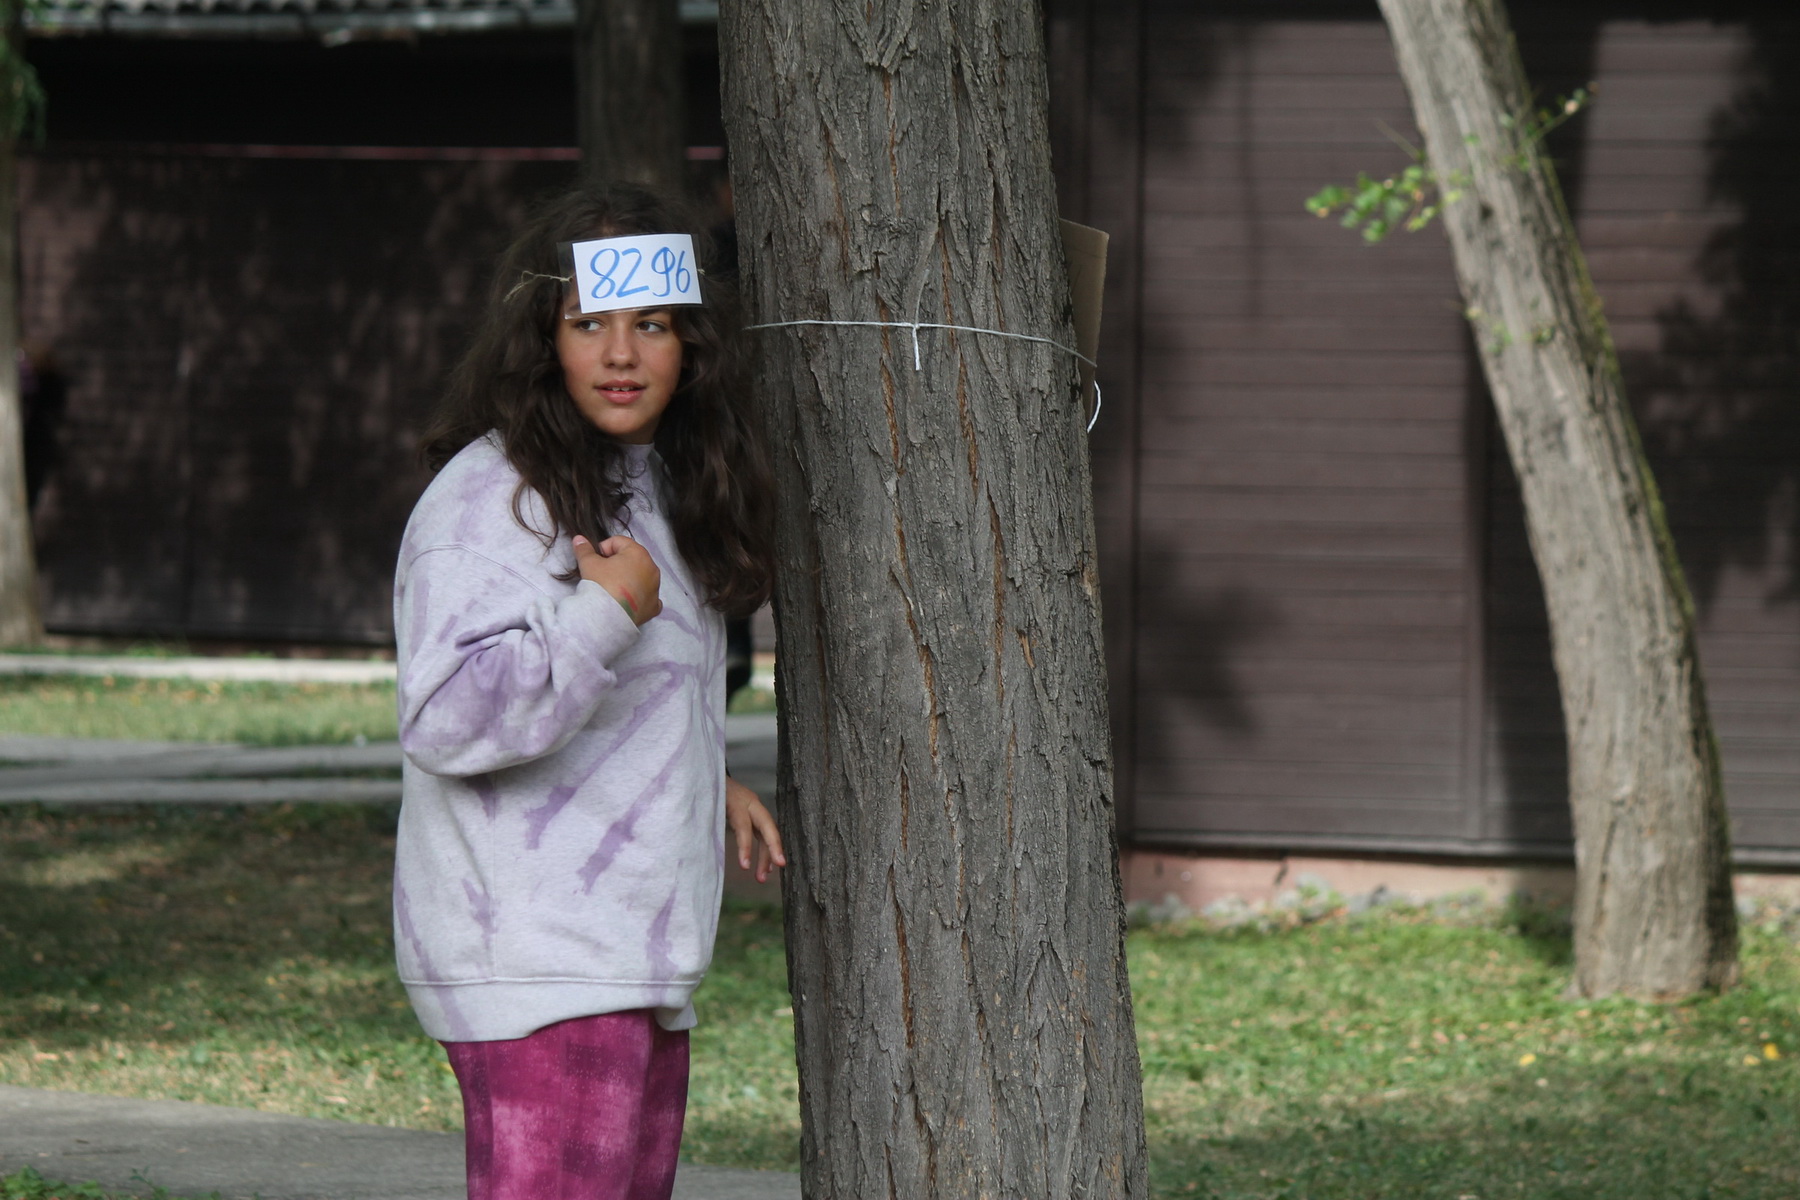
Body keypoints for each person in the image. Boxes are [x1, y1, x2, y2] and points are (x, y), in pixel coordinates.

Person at [391, 183, 785, 1200]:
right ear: (542, 339)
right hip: (540, 964)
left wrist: (694, 773)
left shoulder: (663, 483)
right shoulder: (493, 497)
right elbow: (445, 717)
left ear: (691, 343)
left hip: (626, 959)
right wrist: (602, 614)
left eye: (651, 324)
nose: (621, 354)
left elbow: (618, 692)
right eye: (588, 324)